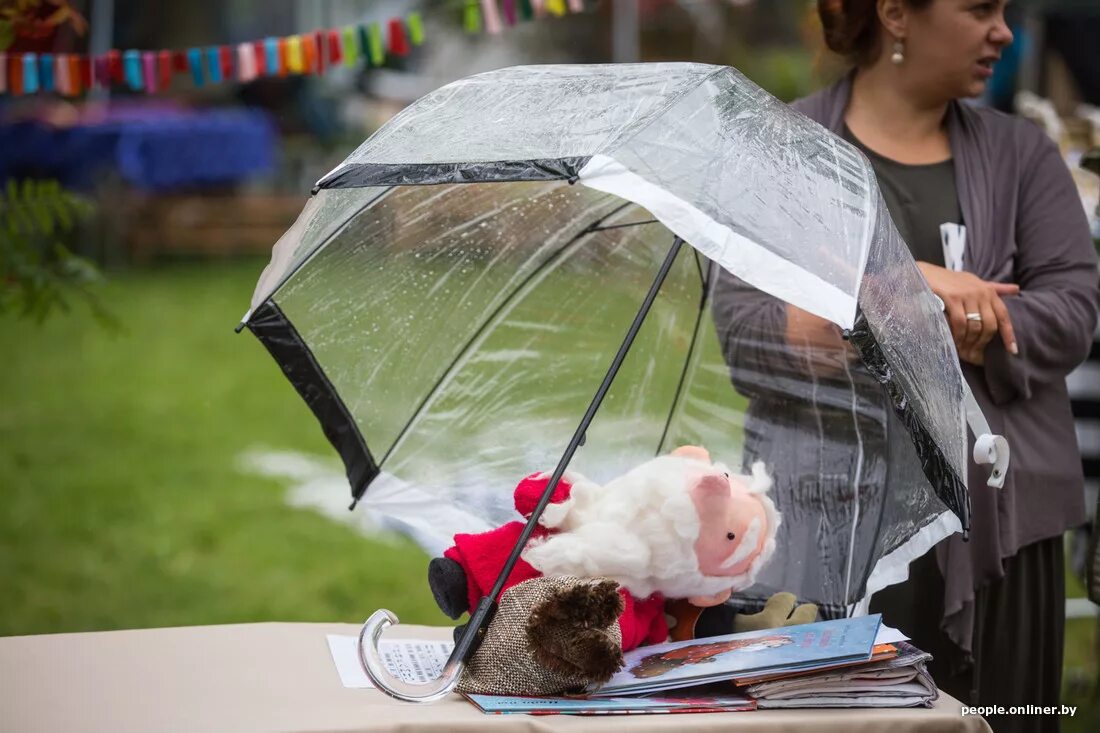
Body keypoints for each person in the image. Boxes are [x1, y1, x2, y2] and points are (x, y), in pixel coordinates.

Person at [773, 2, 1098, 731]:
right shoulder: (794, 152)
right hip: (836, 532)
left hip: (1002, 533)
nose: (1004, 33)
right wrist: (925, 282)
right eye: (980, 7)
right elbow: (763, 327)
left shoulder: (1025, 156)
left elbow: (1073, 311)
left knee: (1006, 717)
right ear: (895, 13)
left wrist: (879, 300)